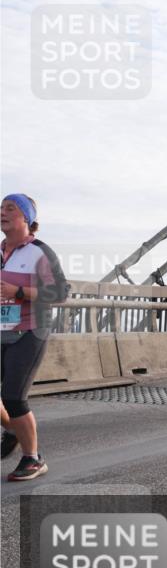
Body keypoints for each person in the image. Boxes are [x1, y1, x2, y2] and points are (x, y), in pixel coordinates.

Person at [1, 194, 68, 481]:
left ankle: (33, 458)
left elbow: (61, 293)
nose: (2, 212)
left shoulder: (40, 252)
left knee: (14, 397)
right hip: (2, 330)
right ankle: (16, 430)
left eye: (10, 208)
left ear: (26, 218)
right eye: (1, 208)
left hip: (30, 330)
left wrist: (19, 292)